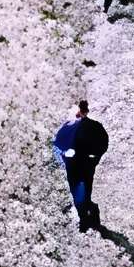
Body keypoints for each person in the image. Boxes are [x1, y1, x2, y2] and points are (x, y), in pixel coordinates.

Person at [52, 97, 108, 232]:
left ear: (85, 112)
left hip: (86, 164)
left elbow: (103, 143)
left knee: (84, 191)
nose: (79, 114)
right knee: (76, 191)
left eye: (82, 111)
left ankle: (87, 220)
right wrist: (65, 154)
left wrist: (94, 157)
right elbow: (57, 143)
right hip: (72, 164)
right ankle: (86, 218)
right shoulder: (68, 127)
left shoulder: (94, 126)